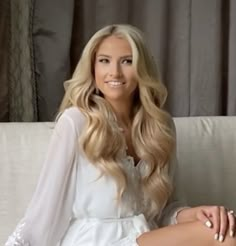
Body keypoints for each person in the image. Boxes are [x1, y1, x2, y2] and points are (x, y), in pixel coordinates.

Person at [5, 24, 236, 246]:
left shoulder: (160, 126)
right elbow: (45, 210)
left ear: (142, 68)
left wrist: (196, 213)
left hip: (145, 238)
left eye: (127, 61)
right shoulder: (76, 122)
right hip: (94, 241)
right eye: (104, 61)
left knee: (223, 227)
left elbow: (166, 211)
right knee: (220, 235)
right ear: (93, 68)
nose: (114, 72)